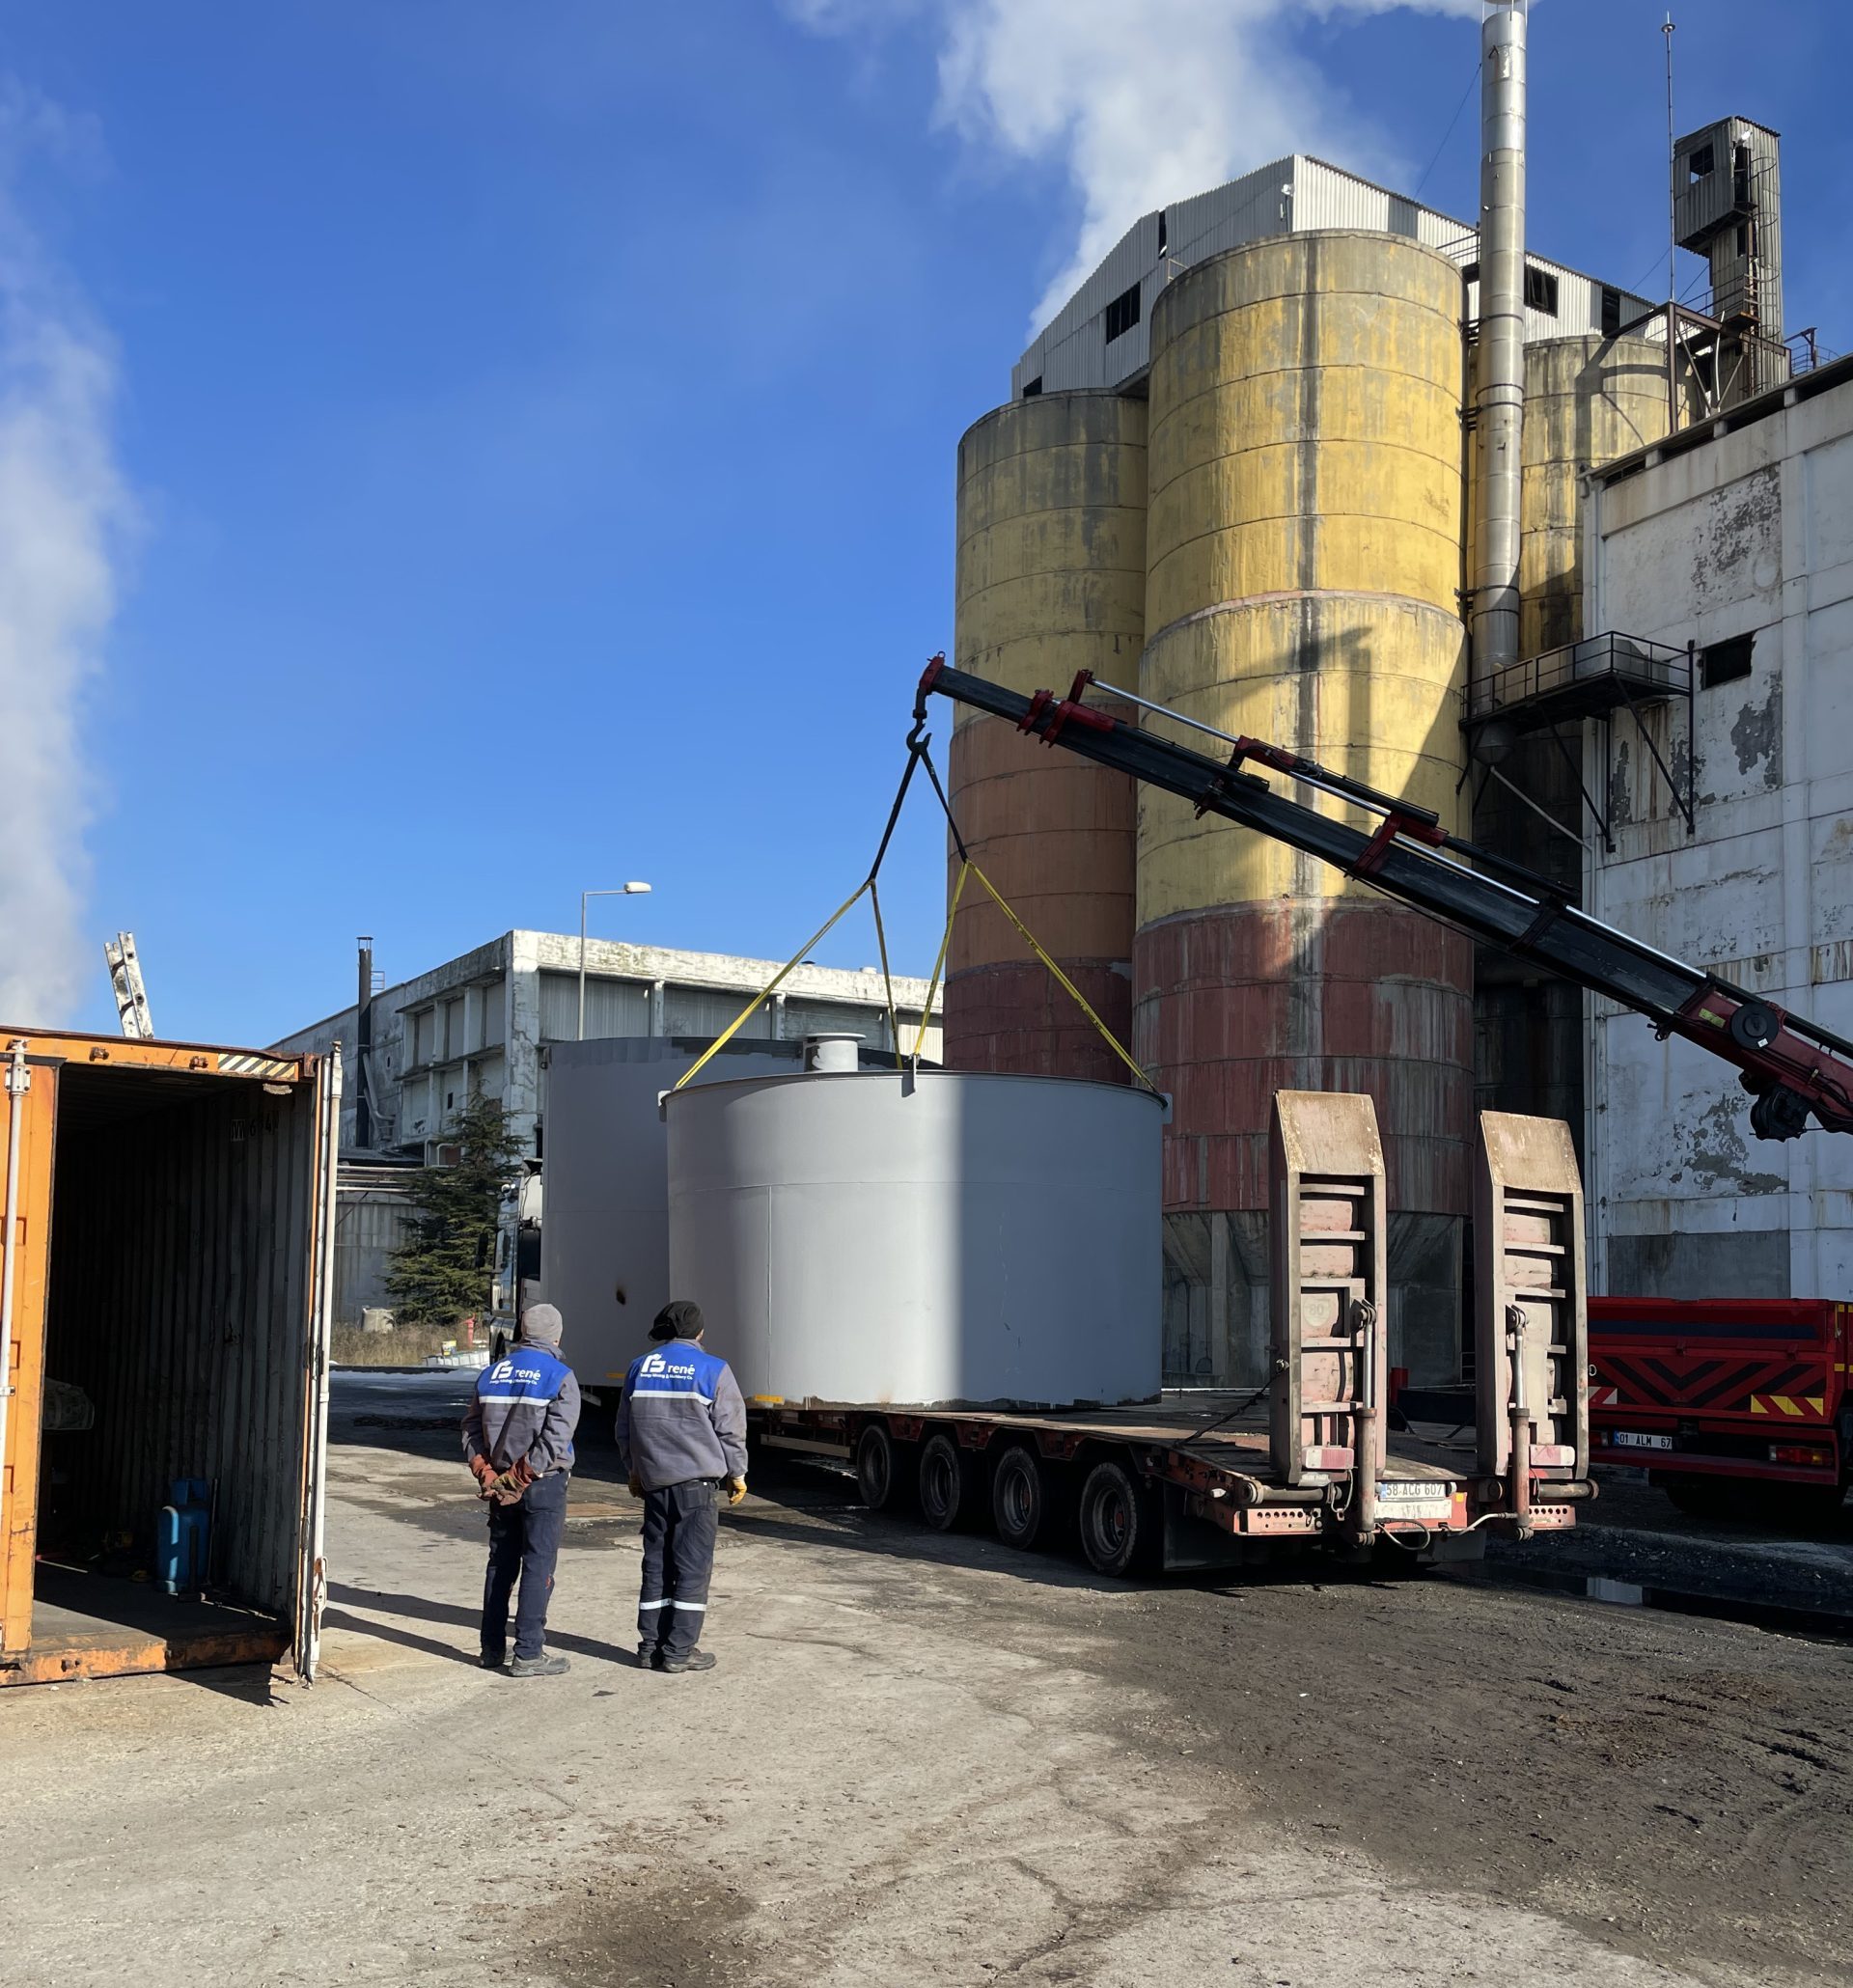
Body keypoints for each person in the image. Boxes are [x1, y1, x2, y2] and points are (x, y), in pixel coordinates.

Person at [616, 1300, 747, 1674]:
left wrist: (635, 1471)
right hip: (696, 1486)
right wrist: (737, 1473)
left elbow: (624, 1428)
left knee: (656, 1564)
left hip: (655, 1485)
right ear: (700, 1332)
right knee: (691, 1567)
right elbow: (730, 1430)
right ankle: (679, 1651)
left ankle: (650, 1646)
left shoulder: (639, 1367)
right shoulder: (713, 1369)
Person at [462, 1300, 581, 1677]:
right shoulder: (560, 1376)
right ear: (556, 1335)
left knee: (500, 1564)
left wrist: (487, 1473)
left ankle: (491, 1648)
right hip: (541, 1485)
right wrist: (521, 1477)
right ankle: (529, 1653)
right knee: (537, 1565)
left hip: (499, 1486)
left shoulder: (491, 1373)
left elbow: (470, 1429)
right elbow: (555, 1440)